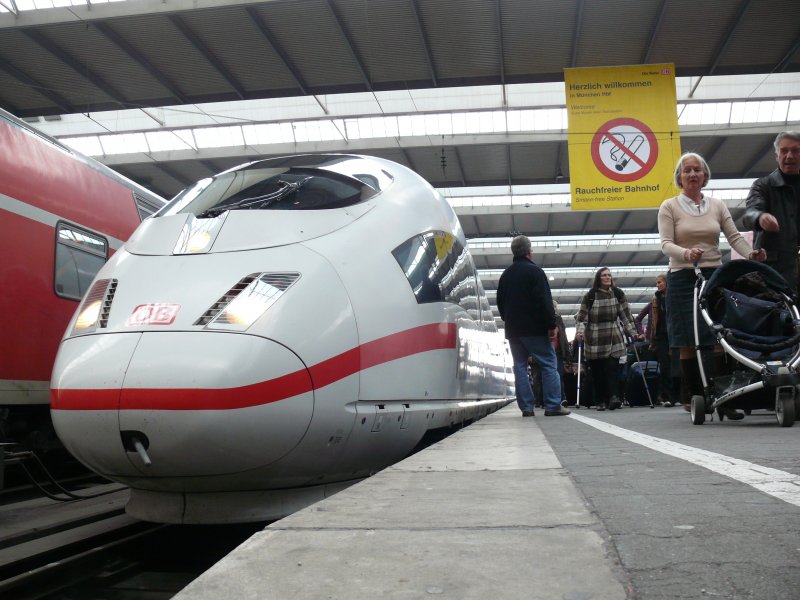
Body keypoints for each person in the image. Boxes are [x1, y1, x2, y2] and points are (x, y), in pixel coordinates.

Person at [658, 152, 766, 419]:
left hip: (714, 274)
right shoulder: (669, 207)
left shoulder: (717, 205)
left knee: (719, 335)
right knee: (688, 339)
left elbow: (733, 237)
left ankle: (724, 398)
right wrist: (686, 253)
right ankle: (693, 395)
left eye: (698, 170)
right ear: (680, 177)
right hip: (683, 275)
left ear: (705, 176)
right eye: (687, 171)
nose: (693, 174)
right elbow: (665, 244)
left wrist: (751, 253)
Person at [496, 235, 570, 417]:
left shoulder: (505, 275)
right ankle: (553, 405)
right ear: (529, 252)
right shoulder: (535, 272)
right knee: (548, 364)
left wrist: (509, 321)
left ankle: (527, 408)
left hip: (514, 331)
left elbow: (500, 303)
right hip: (535, 330)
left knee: (520, 366)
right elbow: (545, 301)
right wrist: (551, 325)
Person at [574, 267, 642, 411]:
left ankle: (613, 397)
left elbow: (626, 315)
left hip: (613, 335)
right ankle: (600, 400)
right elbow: (582, 318)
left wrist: (633, 332)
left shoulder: (618, 294)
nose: (607, 277)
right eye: (604, 275)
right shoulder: (590, 296)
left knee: (612, 368)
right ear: (599, 278)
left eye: (609, 275)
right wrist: (580, 332)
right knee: (598, 371)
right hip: (595, 337)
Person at [742, 131, 800, 294]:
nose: (789, 156)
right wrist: (760, 217)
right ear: (776, 155)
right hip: (773, 272)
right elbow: (750, 213)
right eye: (784, 151)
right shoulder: (762, 185)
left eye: (795, 151)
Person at [635, 273, 678, 407]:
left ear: (667, 282)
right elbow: (638, 319)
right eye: (656, 283)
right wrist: (642, 333)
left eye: (660, 282)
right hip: (659, 337)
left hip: (675, 335)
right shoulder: (654, 301)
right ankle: (668, 396)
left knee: (677, 366)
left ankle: (678, 396)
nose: (658, 285)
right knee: (665, 366)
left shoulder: (674, 297)